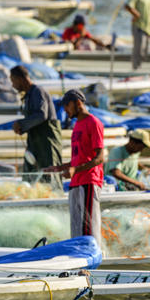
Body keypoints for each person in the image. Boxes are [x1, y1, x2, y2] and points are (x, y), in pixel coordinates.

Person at [45, 89, 104, 245]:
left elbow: (99, 158)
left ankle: (91, 260)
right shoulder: (77, 125)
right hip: (75, 183)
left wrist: (74, 170)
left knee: (89, 227)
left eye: (67, 105)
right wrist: (58, 168)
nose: (65, 109)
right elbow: (78, 159)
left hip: (89, 181)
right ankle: (78, 261)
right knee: (76, 228)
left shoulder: (93, 123)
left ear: (78, 103)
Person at [9, 65, 63, 184]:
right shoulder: (28, 95)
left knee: (50, 176)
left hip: (47, 145)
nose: (13, 85)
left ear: (20, 79)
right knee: (31, 175)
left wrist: (21, 124)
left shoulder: (38, 92)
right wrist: (22, 128)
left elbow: (41, 115)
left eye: (13, 81)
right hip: (36, 144)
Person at [125, 0, 150, 70]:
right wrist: (136, 15)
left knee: (144, 51)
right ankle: (135, 70)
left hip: (147, 28)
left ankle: (140, 69)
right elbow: (128, 6)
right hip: (138, 26)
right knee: (138, 50)